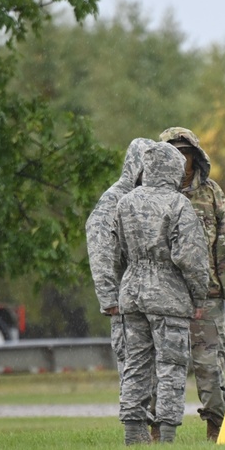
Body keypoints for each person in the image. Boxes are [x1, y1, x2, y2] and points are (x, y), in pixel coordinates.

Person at [114, 142, 209, 445]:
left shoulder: (125, 203)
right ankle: (166, 436)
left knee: (136, 364)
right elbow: (190, 258)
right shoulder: (178, 204)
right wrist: (198, 296)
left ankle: (133, 433)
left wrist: (123, 285)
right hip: (169, 296)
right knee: (171, 366)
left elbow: (116, 253)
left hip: (132, 293)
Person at [159, 127, 225, 441]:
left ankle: (216, 427)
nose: (180, 160)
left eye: (185, 154)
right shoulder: (150, 194)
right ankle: (157, 430)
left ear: (195, 157)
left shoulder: (211, 193)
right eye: (173, 154)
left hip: (208, 296)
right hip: (164, 295)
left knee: (210, 367)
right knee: (162, 366)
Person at [86, 138, 157, 433]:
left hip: (149, 300)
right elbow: (100, 252)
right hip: (124, 303)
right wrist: (109, 299)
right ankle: (136, 434)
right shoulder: (113, 200)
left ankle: (153, 435)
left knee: (153, 371)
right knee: (132, 368)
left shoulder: (150, 199)